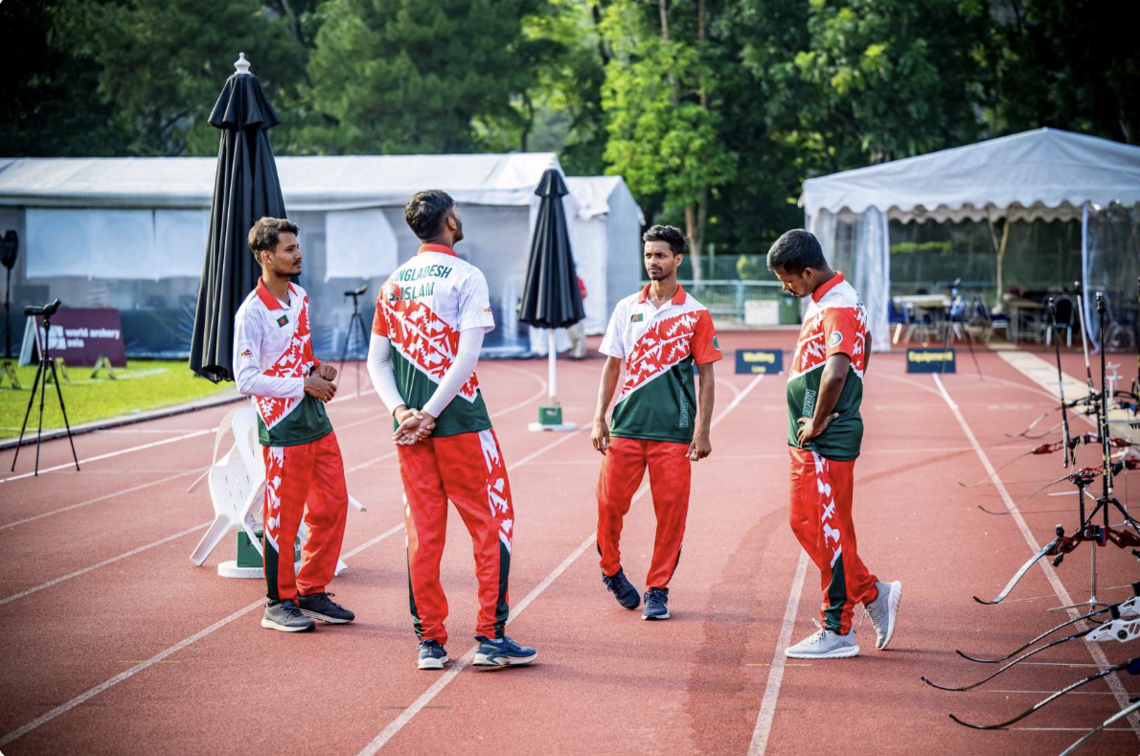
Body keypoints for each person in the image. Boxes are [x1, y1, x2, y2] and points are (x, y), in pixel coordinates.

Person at [367, 190, 537, 670]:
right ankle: (490, 636)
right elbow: (467, 356)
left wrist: (403, 411)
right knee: (490, 524)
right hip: (460, 421)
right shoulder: (467, 275)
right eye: (457, 213)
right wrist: (431, 412)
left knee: (422, 533)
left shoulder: (393, 283)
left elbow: (377, 361)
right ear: (449, 221)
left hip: (409, 430)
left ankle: (430, 642)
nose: (460, 219)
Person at [767, 229, 901, 659]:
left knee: (829, 530)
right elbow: (867, 344)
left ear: (807, 272)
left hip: (823, 438)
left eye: (788, 280)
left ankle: (838, 628)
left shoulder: (838, 304)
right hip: (809, 438)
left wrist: (822, 416)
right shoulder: (830, 297)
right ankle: (872, 592)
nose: (785, 288)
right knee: (805, 522)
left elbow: (838, 368)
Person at [590, 224, 721, 621]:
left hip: (674, 433)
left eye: (661, 255)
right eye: (648, 255)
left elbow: (707, 376)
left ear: (677, 259)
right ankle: (610, 570)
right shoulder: (625, 308)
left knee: (671, 516)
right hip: (626, 427)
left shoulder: (696, 313)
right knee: (609, 506)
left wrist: (702, 429)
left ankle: (658, 589)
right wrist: (599, 417)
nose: (653, 262)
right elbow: (612, 366)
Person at [233, 217, 355, 633]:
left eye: (297, 247)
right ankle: (278, 602)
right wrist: (302, 384)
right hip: (282, 425)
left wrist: (316, 367)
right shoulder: (250, 313)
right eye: (289, 249)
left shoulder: (300, 296)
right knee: (284, 517)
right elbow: (245, 379)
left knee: (333, 504)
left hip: (315, 417)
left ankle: (311, 590)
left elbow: (299, 355)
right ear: (267, 257)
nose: (299, 254)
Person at [567, 276, 588, 360]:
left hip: (576, 310)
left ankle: (579, 353)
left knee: (577, 332)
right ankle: (574, 351)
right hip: (568, 311)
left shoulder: (577, 279)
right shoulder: (565, 278)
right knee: (571, 333)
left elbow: (584, 293)